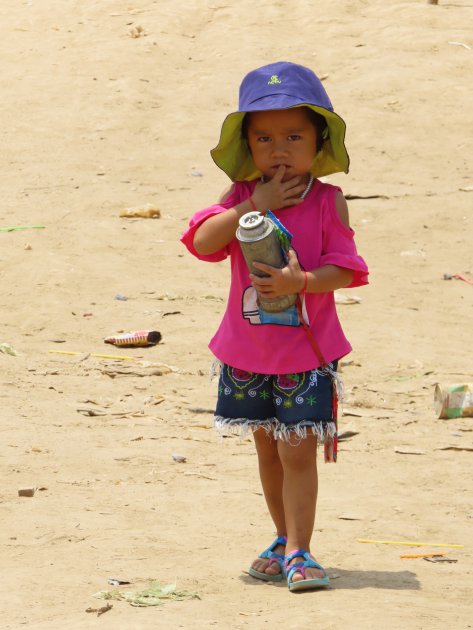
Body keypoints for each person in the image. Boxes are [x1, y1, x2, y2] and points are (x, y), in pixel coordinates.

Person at [181, 61, 369, 592]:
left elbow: (347, 268)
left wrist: (302, 282)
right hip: (247, 351)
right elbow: (201, 242)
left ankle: (303, 550)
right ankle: (282, 538)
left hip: (306, 353)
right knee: (266, 446)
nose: (279, 148)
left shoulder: (329, 202)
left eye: (293, 136)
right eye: (264, 138)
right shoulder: (241, 199)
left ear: (319, 141)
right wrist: (256, 203)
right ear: (247, 147)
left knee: (296, 449)